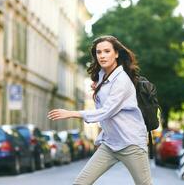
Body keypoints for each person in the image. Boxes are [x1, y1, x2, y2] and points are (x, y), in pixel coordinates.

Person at [48, 35, 152, 185]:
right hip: (110, 144)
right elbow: (108, 116)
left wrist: (71, 113)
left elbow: (107, 111)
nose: (102, 56)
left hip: (131, 144)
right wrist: (101, 138)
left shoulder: (121, 80)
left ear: (116, 53)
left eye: (107, 51)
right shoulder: (102, 77)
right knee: (80, 183)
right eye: (99, 52)